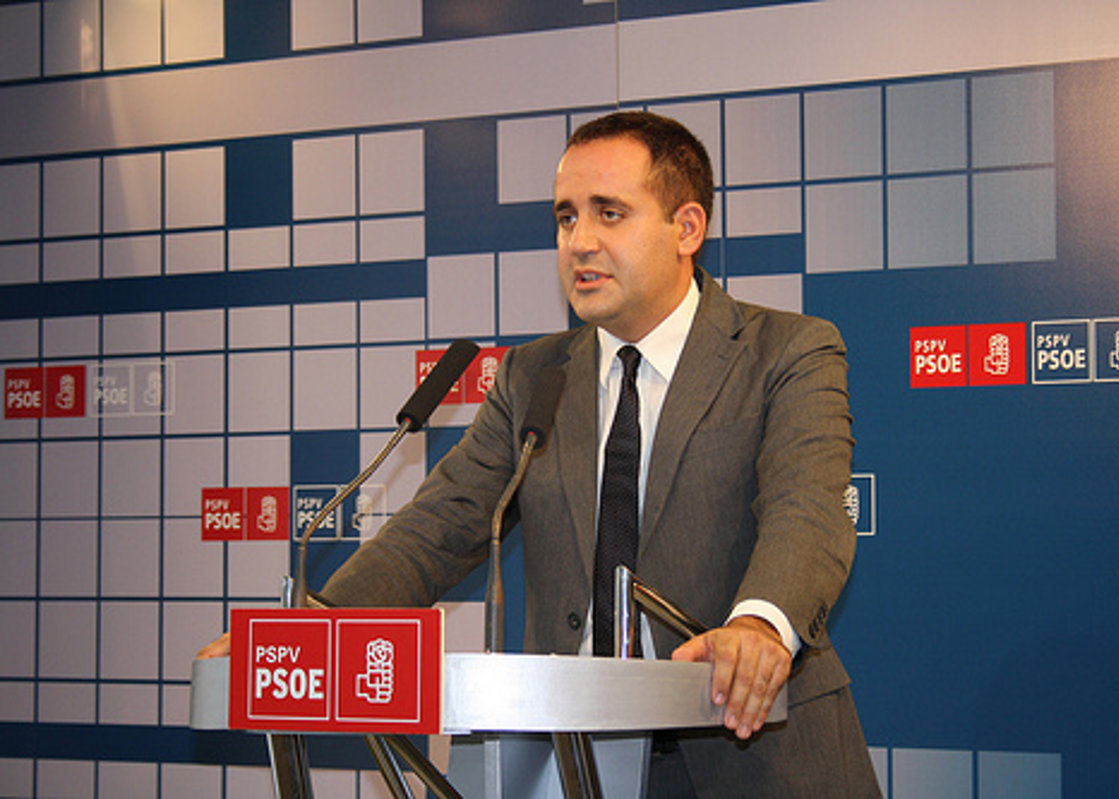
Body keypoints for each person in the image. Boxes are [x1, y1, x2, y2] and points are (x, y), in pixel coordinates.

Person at [201, 111, 879, 797]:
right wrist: (310, 628)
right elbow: (436, 528)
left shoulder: (788, 351)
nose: (579, 242)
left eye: (609, 213)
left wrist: (759, 626)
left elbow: (807, 510)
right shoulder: (533, 376)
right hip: (574, 758)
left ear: (687, 228)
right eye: (565, 218)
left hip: (750, 746)